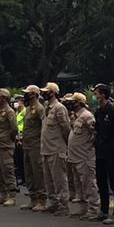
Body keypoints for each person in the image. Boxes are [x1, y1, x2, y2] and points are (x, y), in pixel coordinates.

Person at [91, 84, 114, 221]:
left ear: (104, 94)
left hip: (113, 153)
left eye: (97, 93)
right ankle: (103, 210)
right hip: (100, 151)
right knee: (101, 182)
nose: (95, 96)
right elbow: (97, 130)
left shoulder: (113, 111)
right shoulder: (98, 111)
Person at [64, 92, 99, 219]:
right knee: (78, 184)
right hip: (74, 156)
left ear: (79, 103)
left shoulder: (87, 116)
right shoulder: (75, 116)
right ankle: (83, 208)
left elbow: (95, 133)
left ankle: (93, 209)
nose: (69, 103)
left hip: (84, 156)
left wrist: (89, 146)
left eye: (73, 101)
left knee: (88, 184)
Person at [39, 82, 71, 216]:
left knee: (59, 179)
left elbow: (66, 128)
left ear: (53, 93)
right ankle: (54, 203)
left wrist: (64, 146)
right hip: (46, 148)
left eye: (47, 91)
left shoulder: (59, 108)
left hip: (56, 148)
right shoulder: (47, 108)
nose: (44, 93)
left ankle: (63, 205)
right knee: (48, 179)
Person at [0, 89, 20, 206]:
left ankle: (12, 196)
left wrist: (10, 139)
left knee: (8, 170)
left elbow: (14, 129)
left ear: (4, 98)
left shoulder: (9, 111)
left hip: (6, 145)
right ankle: (3, 195)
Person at [19, 86, 45, 211]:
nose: (26, 95)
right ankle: (33, 198)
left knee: (37, 173)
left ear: (34, 94)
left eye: (28, 93)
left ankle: (41, 200)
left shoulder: (40, 109)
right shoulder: (28, 109)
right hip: (27, 144)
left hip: (36, 145)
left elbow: (43, 127)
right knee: (28, 173)